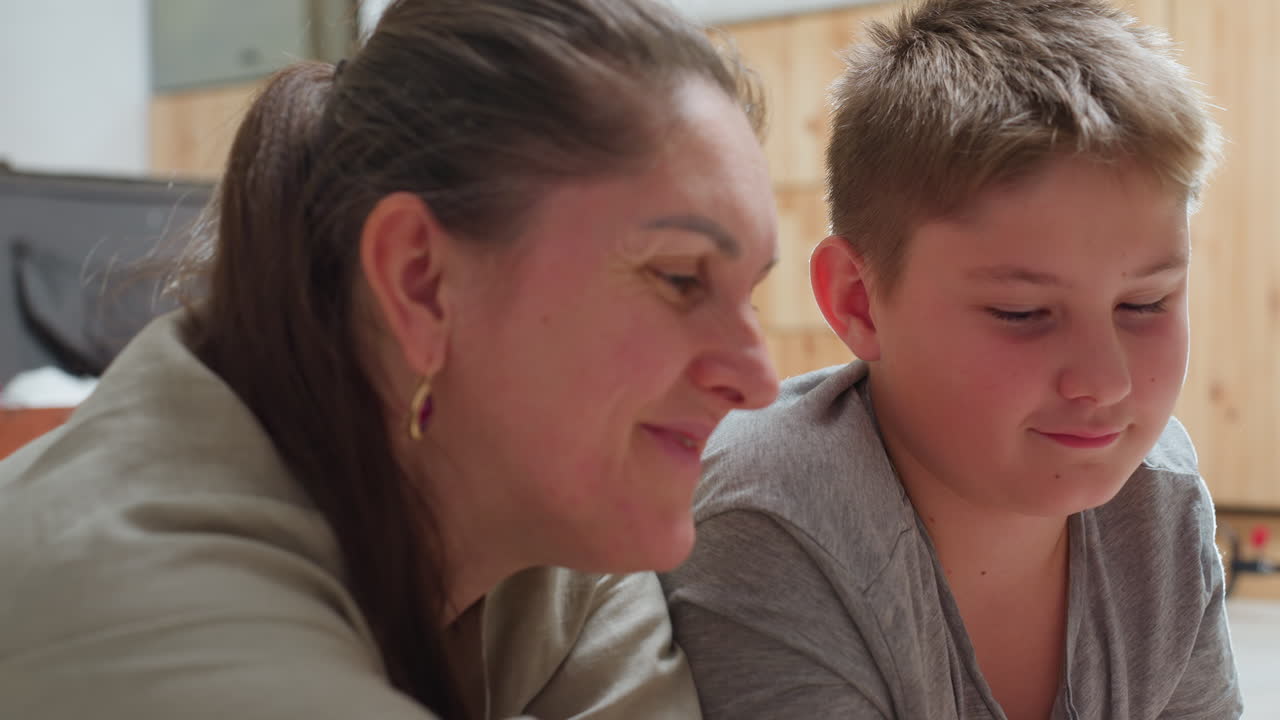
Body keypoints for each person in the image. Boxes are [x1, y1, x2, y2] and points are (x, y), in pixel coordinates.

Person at [0, 0, 780, 717]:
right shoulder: (140, 604)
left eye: (749, 296)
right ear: (421, 282)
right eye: (680, 279)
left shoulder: (556, 517)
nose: (758, 381)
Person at [662, 0, 1243, 718]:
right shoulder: (772, 521)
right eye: (1022, 314)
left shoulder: (1160, 494)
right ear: (858, 303)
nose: (1106, 382)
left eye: (1146, 304)